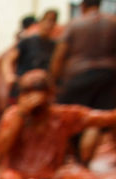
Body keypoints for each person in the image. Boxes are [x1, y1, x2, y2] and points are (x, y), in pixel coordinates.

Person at [0, 69, 116, 179]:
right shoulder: (14, 115)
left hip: (53, 178)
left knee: (83, 176)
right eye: (28, 91)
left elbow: (105, 118)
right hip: (18, 177)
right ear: (21, 95)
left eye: (39, 90)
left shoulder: (62, 116)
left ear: (50, 94)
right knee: (9, 178)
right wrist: (21, 115)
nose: (34, 98)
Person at [50, 0, 116, 165]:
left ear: (82, 6)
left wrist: (53, 81)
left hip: (79, 77)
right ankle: (84, 163)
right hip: (108, 76)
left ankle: (81, 163)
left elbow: (59, 55)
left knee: (71, 119)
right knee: (100, 119)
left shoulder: (75, 25)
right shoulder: (112, 23)